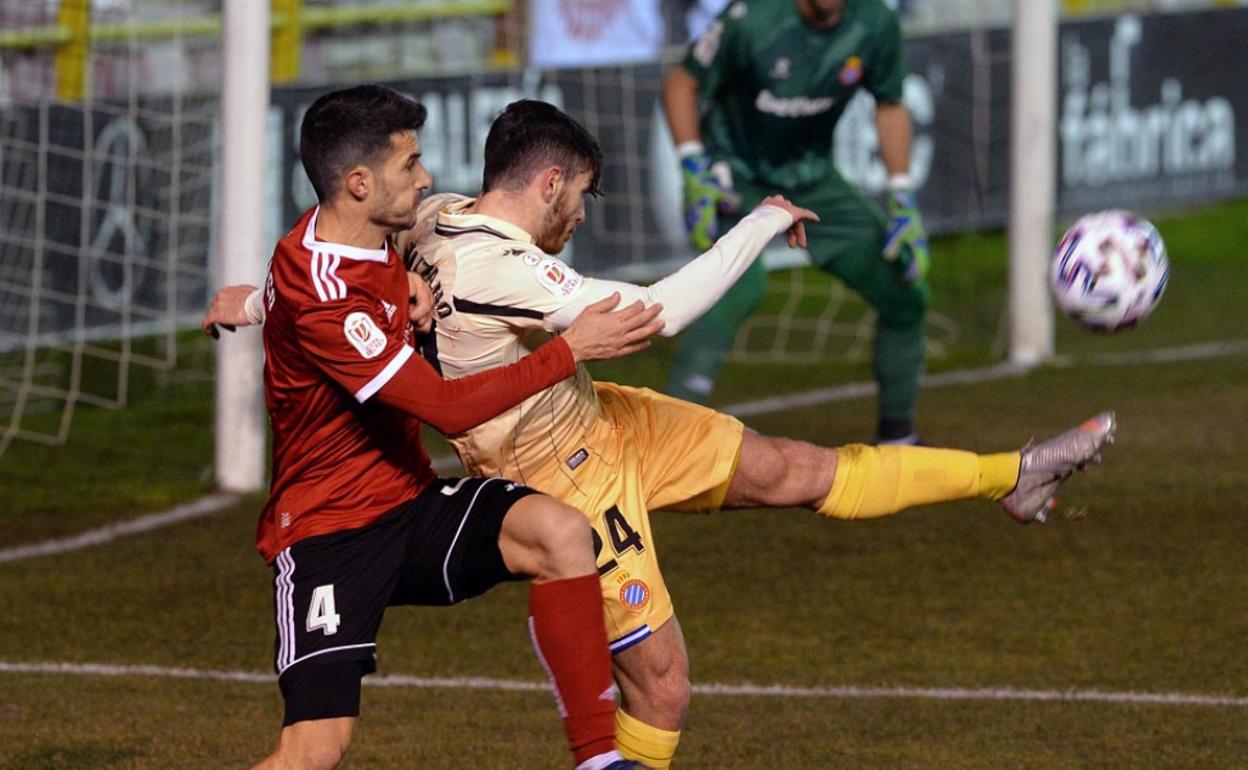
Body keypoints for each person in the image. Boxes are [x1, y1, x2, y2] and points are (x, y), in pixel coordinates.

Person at [212, 100, 1117, 770]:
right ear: (551, 182)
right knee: (665, 686)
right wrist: (760, 223)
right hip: (556, 469)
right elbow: (656, 313)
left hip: (599, 413)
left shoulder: (435, 216)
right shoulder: (494, 260)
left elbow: (333, 287)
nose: (581, 218)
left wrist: (254, 304)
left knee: (794, 467)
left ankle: (1014, 473)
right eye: (584, 199)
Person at [210, 85, 661, 770]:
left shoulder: (353, 238)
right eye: (410, 165)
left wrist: (245, 304)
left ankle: (599, 760)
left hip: (408, 504)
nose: (426, 180)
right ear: (359, 183)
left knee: (561, 532)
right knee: (314, 751)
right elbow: (446, 409)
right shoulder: (327, 299)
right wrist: (571, 350)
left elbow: (287, 294)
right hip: (331, 533)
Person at [663, 0, 931, 444]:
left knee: (903, 288)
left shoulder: (876, 22)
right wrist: (693, 169)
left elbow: (891, 103)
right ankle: (666, 435)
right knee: (738, 288)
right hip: (736, 174)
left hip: (812, 179)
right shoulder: (752, 18)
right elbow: (680, 82)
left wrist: (902, 196)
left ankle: (898, 436)